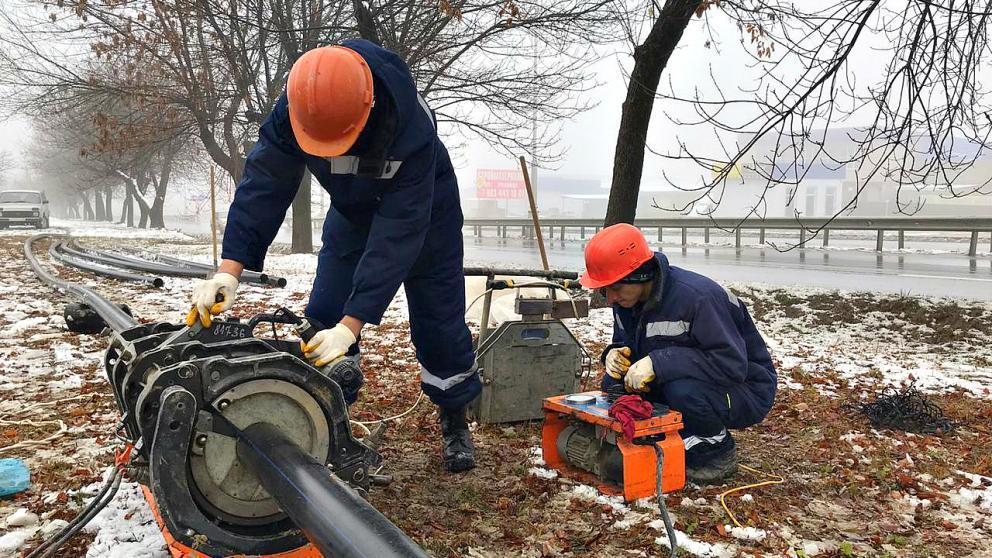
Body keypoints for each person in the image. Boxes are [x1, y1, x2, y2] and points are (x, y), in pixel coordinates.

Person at [186, 39, 480, 473]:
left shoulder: (409, 127)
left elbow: (398, 235)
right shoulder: (298, 107)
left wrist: (354, 323)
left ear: (367, 110)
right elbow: (263, 184)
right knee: (326, 310)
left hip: (425, 215)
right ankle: (330, 405)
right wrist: (229, 270)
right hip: (352, 213)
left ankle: (454, 413)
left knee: (439, 323)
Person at [579, 224, 776, 483]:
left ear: (639, 275)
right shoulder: (626, 301)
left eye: (614, 289)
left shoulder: (698, 298)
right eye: (605, 290)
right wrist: (613, 355)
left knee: (683, 392)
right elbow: (627, 343)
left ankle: (715, 452)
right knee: (613, 383)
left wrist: (658, 363)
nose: (609, 299)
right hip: (687, 377)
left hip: (745, 389)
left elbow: (731, 365)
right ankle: (662, 439)